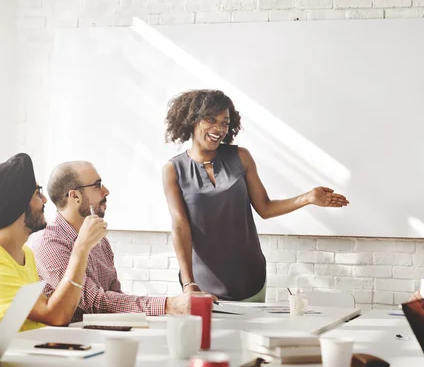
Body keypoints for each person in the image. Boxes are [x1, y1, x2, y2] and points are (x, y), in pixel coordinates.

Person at [162, 89, 349, 302]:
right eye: (211, 119)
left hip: (250, 279)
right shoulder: (173, 170)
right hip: (202, 284)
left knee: (253, 335)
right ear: (192, 120)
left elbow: (265, 208)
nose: (219, 129)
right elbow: (180, 227)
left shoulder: (240, 157)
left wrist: (308, 197)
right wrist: (189, 284)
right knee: (208, 336)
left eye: (225, 122)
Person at [31, 161, 203, 323]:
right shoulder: (49, 244)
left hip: (96, 337)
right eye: (97, 185)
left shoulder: (100, 242)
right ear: (75, 196)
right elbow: (96, 303)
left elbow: (115, 300)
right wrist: (168, 305)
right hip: (67, 345)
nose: (106, 191)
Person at [0, 153, 105, 330]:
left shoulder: (26, 254)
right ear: (18, 204)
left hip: (34, 351)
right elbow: (56, 315)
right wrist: (81, 247)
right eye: (37, 193)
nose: (45, 200)